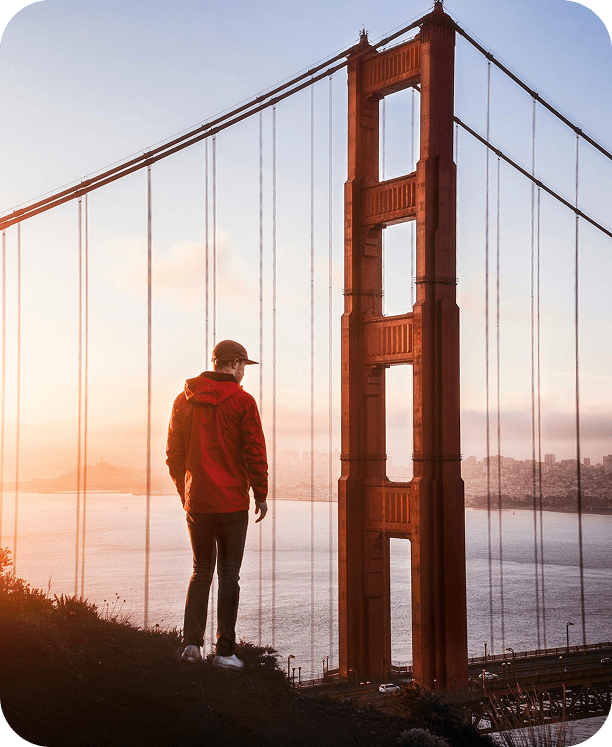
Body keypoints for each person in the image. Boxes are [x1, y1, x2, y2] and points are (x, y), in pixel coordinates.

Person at [166, 339, 268, 670]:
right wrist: (261, 494)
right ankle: (225, 653)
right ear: (235, 364)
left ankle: (191, 647)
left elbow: (174, 455)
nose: (243, 373)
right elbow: (254, 452)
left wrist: (187, 493)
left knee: (200, 572)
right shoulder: (242, 401)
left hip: (199, 503)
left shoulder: (183, 401)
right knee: (229, 575)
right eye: (243, 366)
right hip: (232, 504)